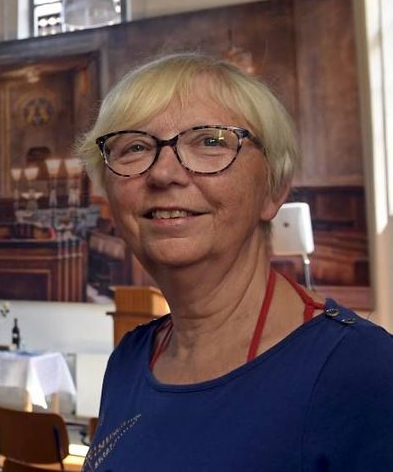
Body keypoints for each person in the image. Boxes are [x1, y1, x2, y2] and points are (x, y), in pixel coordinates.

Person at [76, 53, 393, 470]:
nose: (164, 173)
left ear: (273, 190)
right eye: (135, 147)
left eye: (210, 141)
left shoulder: (364, 372)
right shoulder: (130, 359)